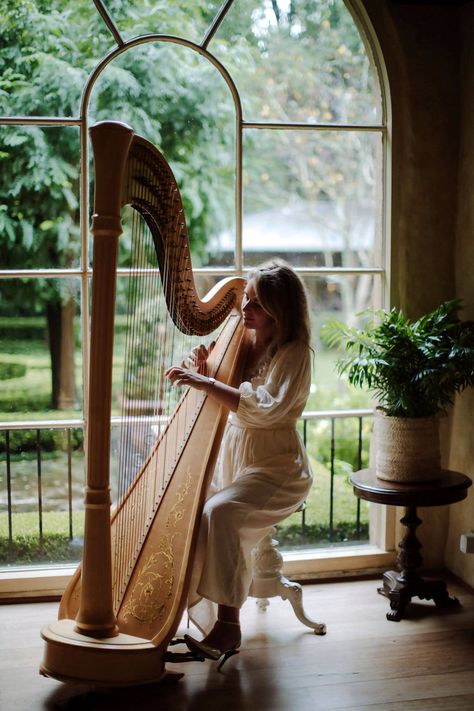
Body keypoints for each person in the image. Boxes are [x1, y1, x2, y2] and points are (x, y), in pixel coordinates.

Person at [165, 258, 314, 669]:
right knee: (195, 514)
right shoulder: (246, 341)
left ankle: (229, 626)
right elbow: (225, 392)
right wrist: (205, 368)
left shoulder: (295, 353)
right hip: (239, 457)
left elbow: (265, 410)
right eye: (246, 300)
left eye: (255, 303)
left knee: (221, 513)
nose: (244, 310)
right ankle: (173, 617)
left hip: (278, 467)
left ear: (279, 310)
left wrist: (206, 382)